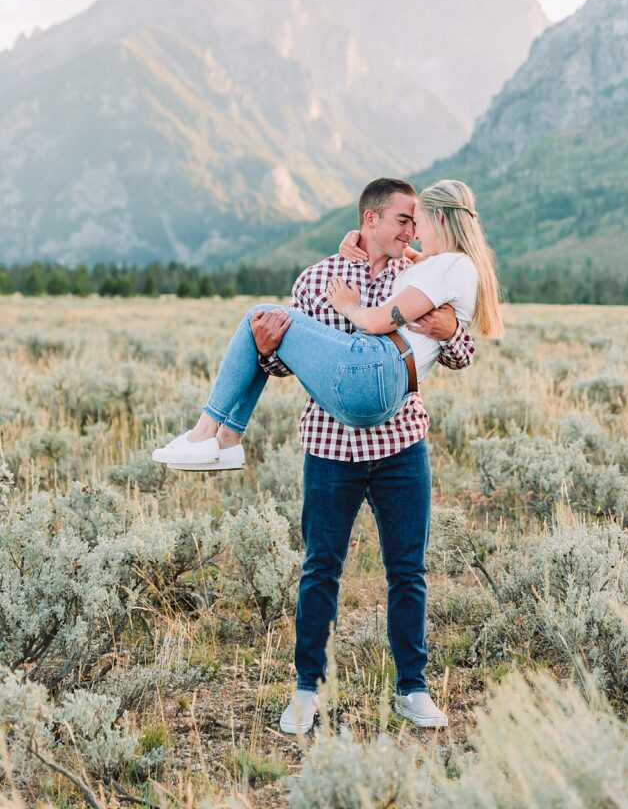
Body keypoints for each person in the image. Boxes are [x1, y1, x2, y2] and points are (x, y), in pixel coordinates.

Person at [153, 178, 501, 730]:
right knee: (320, 569)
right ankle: (305, 691)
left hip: (400, 443)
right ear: (371, 220)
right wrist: (267, 352)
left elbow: (463, 350)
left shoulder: (414, 271)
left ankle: (413, 688)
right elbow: (290, 364)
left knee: (408, 571)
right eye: (402, 221)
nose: (411, 231)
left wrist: (453, 325)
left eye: (417, 222)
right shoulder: (318, 279)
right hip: (331, 445)